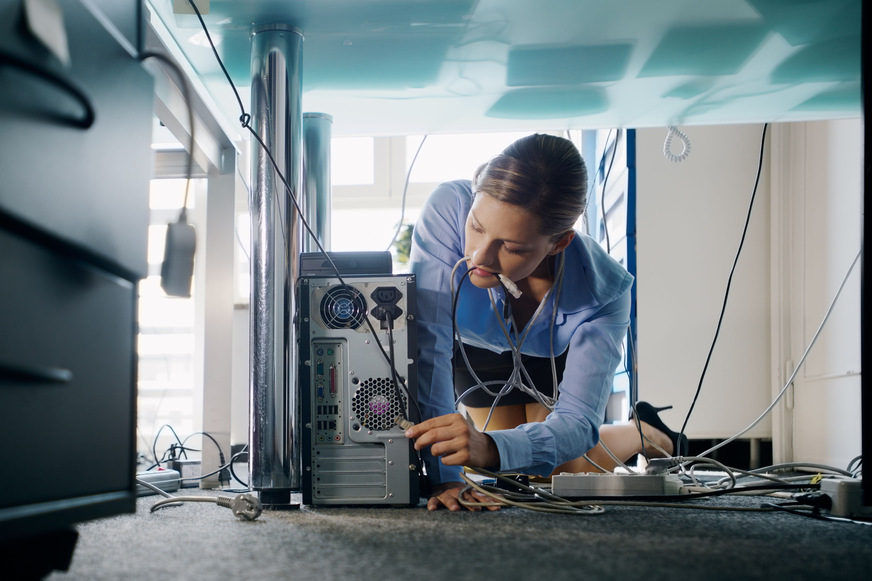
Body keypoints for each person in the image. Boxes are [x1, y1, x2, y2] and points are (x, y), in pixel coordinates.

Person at [405, 133, 686, 511]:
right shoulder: (448, 209)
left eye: (512, 247)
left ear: (559, 242)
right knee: (495, 470)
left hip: (553, 360)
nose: (479, 256)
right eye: (477, 227)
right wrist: (446, 478)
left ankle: (647, 432)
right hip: (476, 353)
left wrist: (490, 446)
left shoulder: (605, 292)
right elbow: (428, 348)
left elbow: (576, 423)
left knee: (557, 467)